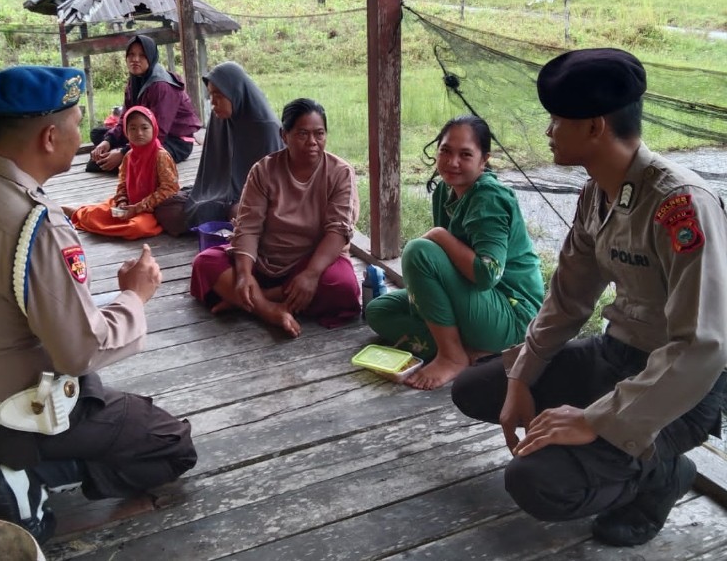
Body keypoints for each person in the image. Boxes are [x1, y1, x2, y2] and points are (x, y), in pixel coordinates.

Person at [452, 48, 727, 547]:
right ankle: (613, 446)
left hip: (682, 390)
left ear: (596, 126)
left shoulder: (681, 207)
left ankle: (659, 477)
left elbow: (700, 347)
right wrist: (520, 377)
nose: (548, 132)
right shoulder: (597, 192)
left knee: (537, 483)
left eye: (557, 120)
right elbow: (567, 299)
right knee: (477, 389)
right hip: (616, 355)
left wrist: (598, 420)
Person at [0, 66, 197, 544]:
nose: (84, 132)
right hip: (17, 412)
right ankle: (23, 476)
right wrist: (135, 295)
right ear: (50, 137)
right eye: (77, 121)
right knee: (172, 445)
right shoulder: (34, 225)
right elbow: (80, 351)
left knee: (96, 388)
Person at [365, 115, 544, 391]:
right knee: (378, 311)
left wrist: (439, 235)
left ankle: (451, 356)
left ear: (484, 160)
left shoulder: (489, 198)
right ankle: (468, 350)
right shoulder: (444, 192)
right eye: (445, 151)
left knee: (419, 251)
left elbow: (487, 275)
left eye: (465, 155)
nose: (452, 162)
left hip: (512, 313)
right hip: (476, 302)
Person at [190, 98, 360, 337]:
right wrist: (246, 274)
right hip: (265, 259)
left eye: (319, 134)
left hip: (312, 260)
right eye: (302, 134)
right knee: (205, 262)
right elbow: (248, 228)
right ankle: (268, 309)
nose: (312, 142)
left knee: (343, 287)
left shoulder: (340, 172)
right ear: (284, 135)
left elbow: (339, 230)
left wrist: (310, 275)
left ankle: (249, 299)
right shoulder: (264, 171)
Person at [155, 61, 284, 236]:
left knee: (239, 214)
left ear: (235, 93)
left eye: (219, 95)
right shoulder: (220, 118)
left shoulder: (266, 128)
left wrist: (237, 201)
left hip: (253, 200)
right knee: (166, 206)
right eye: (210, 95)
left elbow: (275, 188)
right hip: (221, 193)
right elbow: (210, 175)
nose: (213, 102)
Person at [88, 34, 202, 172]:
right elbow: (125, 119)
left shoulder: (162, 86)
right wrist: (108, 141)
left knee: (100, 165)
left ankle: (127, 153)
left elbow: (158, 131)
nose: (135, 59)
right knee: (97, 134)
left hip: (173, 140)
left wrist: (123, 153)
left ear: (151, 57)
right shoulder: (135, 80)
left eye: (142, 55)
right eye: (131, 54)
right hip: (142, 131)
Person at [69, 105, 180, 240]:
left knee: (136, 227)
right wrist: (122, 201)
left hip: (152, 210)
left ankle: (86, 217)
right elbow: (123, 183)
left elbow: (170, 189)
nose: (139, 133)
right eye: (132, 128)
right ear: (126, 132)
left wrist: (139, 207)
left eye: (144, 128)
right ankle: (78, 213)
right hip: (129, 205)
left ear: (154, 129)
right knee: (98, 213)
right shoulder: (128, 156)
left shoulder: (160, 156)